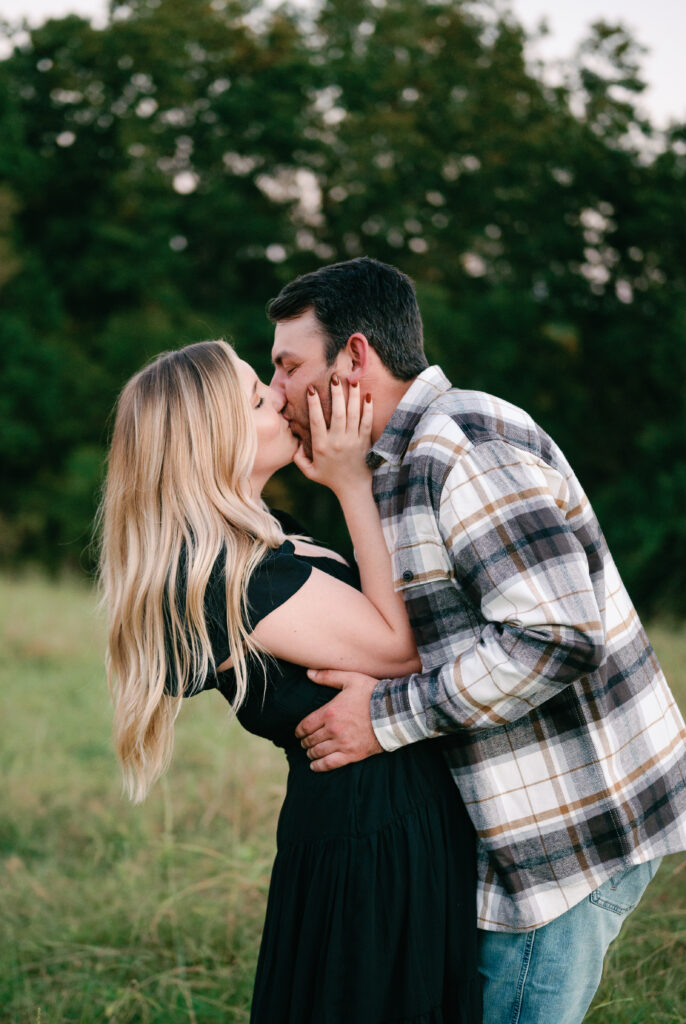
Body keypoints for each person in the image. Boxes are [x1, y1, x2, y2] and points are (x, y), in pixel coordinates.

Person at [268, 256, 686, 1024]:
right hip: (520, 825)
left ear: (356, 356)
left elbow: (557, 636)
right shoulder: (391, 463)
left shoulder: (459, 444)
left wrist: (384, 717)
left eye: (288, 367)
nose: (278, 393)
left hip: (568, 830)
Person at [98, 339, 481, 1024]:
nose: (278, 396)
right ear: (210, 439)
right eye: (255, 397)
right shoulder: (229, 576)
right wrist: (351, 480)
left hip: (390, 815)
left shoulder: (270, 539)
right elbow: (399, 649)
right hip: (370, 838)